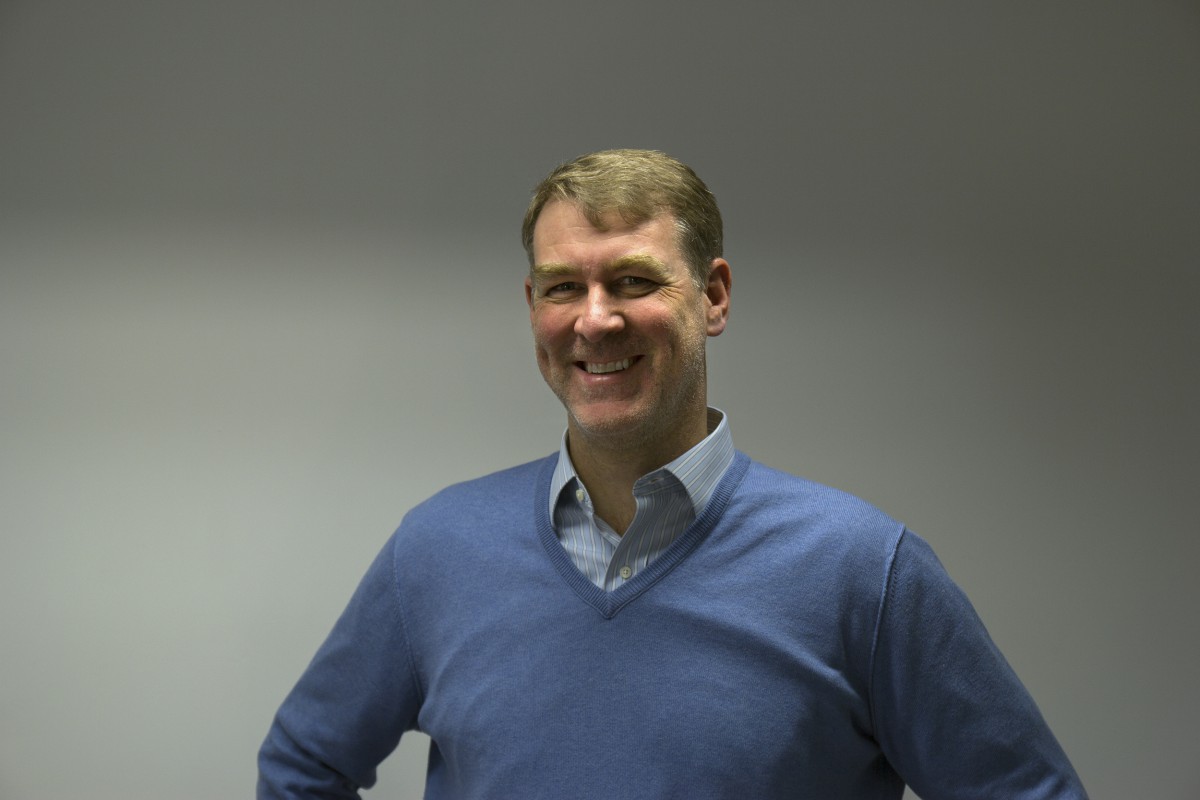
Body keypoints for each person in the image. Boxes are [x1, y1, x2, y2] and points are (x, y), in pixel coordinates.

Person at [258, 149, 1088, 799]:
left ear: (713, 296)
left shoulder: (862, 572)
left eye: (632, 281)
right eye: (563, 288)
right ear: (532, 307)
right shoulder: (437, 551)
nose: (594, 320)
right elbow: (302, 767)